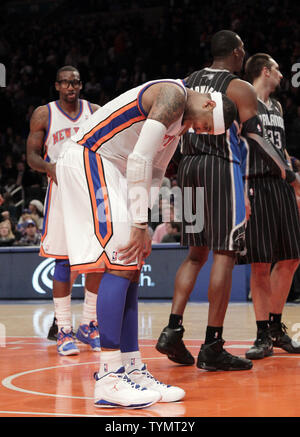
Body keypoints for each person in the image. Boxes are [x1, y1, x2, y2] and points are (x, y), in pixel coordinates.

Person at [54, 77, 237, 408]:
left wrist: (144, 223)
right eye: (208, 127)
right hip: (90, 157)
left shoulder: (182, 122)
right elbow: (139, 160)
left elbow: (155, 170)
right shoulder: (172, 95)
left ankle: (132, 368)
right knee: (122, 258)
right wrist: (138, 223)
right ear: (209, 104)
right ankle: (109, 377)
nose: (203, 132)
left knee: (132, 265)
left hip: (117, 170)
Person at [155, 30, 300, 371]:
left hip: (187, 168)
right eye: (243, 50)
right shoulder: (238, 87)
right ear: (236, 53)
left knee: (194, 255)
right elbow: (258, 140)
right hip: (221, 167)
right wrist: (287, 172)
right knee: (224, 252)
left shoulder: (185, 82)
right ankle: (212, 344)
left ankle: (172, 329)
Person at [26, 65, 102, 356]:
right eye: (66, 83)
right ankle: (64, 330)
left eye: (76, 82)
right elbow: (31, 155)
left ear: (81, 85)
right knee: (63, 261)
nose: (71, 87)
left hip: (89, 191)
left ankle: (89, 324)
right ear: (56, 86)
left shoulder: (94, 111)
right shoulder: (44, 114)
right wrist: (48, 167)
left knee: (96, 260)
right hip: (60, 191)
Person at [236, 53, 300, 359]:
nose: (282, 76)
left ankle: (276, 328)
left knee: (291, 258)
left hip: (281, 184)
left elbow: (280, 146)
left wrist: (293, 177)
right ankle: (262, 334)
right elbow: (235, 146)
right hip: (254, 184)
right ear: (265, 71)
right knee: (260, 263)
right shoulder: (242, 100)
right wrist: (239, 190)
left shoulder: (276, 106)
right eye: (278, 70)